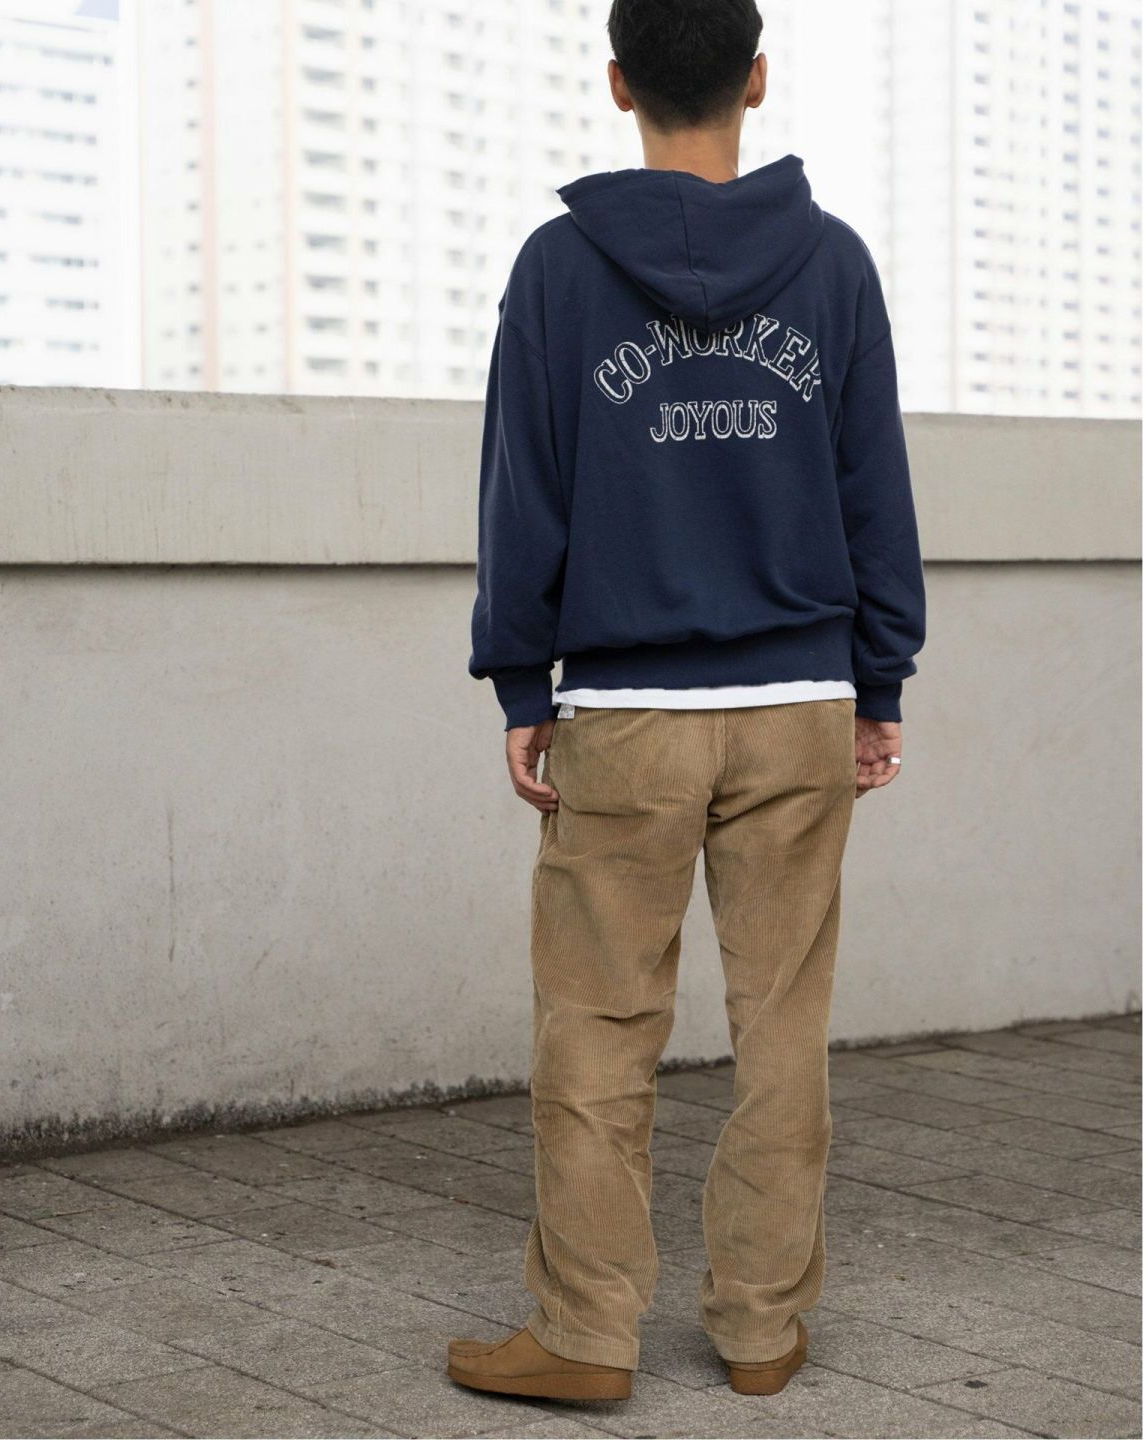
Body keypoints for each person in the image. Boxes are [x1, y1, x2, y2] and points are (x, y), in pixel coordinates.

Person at [451, 0, 926, 1404]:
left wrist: (522, 680)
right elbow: (875, 491)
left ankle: (586, 1334)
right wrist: (879, 678)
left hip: (627, 710)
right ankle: (763, 1329)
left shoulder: (558, 270)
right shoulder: (833, 265)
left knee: (599, 1027)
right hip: (800, 704)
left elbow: (523, 488)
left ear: (619, 84)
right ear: (756, 79)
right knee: (784, 1023)